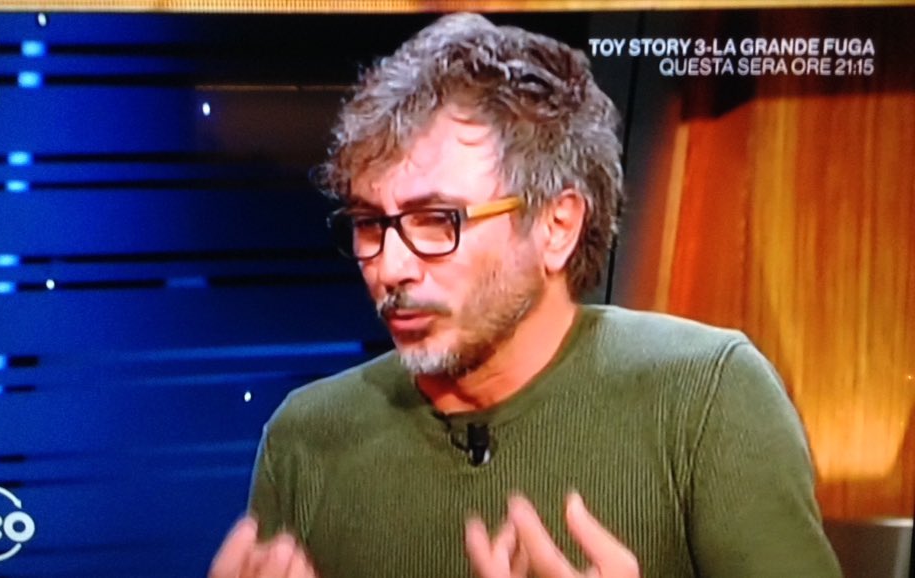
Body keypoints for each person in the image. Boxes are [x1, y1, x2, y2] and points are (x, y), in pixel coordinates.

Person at [209, 12, 842, 578]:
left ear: (556, 226)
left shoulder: (706, 398)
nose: (389, 266)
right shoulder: (307, 438)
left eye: (438, 221)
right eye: (371, 223)